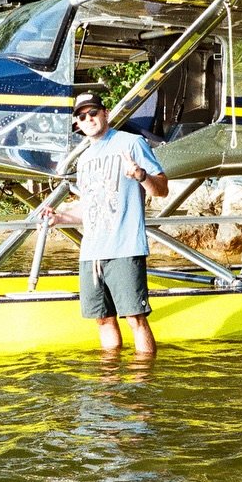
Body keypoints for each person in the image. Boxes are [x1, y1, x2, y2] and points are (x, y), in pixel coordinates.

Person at [40, 92, 168, 355]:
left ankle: (144, 381)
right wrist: (60, 218)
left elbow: (162, 189)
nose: (89, 119)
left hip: (124, 249)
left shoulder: (131, 143)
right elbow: (89, 209)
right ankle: (110, 385)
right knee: (103, 319)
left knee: (135, 318)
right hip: (91, 254)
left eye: (93, 112)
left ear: (105, 113)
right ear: (78, 122)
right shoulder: (84, 159)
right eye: (82, 116)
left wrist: (140, 175)